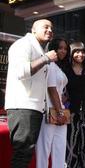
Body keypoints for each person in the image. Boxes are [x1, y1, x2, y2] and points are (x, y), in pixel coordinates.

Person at [5, 19, 57, 167]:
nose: (49, 30)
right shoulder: (22, 45)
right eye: (45, 27)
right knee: (22, 153)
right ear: (33, 30)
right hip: (22, 106)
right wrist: (46, 58)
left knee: (25, 153)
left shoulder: (38, 48)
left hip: (32, 108)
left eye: (51, 28)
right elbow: (22, 72)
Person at [36, 38, 70, 168]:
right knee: (44, 148)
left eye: (65, 48)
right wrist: (60, 111)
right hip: (49, 110)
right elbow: (51, 89)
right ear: (53, 48)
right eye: (60, 48)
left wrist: (63, 104)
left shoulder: (58, 67)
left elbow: (59, 91)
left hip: (60, 109)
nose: (63, 51)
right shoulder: (49, 64)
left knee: (60, 147)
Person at [65, 42, 85, 168]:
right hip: (70, 112)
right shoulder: (65, 70)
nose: (80, 54)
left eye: (83, 52)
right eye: (77, 51)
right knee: (71, 145)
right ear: (71, 53)